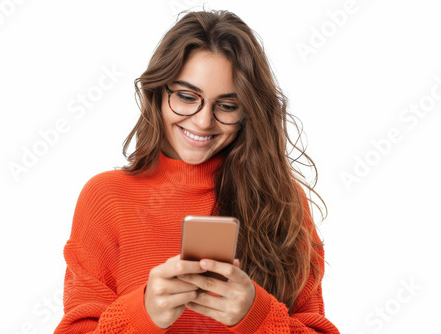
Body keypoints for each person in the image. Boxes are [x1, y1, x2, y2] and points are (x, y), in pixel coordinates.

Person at [54, 9, 339, 333]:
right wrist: (142, 314)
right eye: (188, 97)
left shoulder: (284, 202)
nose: (203, 121)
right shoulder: (107, 198)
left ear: (248, 112)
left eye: (228, 105)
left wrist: (255, 314)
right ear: (158, 94)